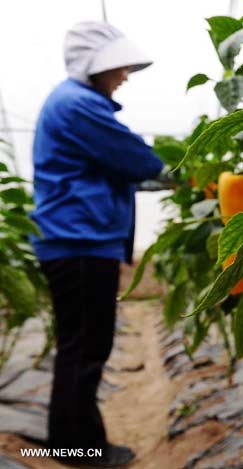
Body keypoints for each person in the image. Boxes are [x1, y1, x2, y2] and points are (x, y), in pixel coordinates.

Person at [30, 21, 164, 467]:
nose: (124, 75)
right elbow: (138, 160)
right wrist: (184, 173)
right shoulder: (79, 106)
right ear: (96, 66)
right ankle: (80, 448)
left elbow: (118, 167)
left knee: (78, 346)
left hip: (75, 241)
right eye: (119, 67)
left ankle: (65, 440)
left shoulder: (72, 104)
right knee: (87, 347)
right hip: (80, 242)